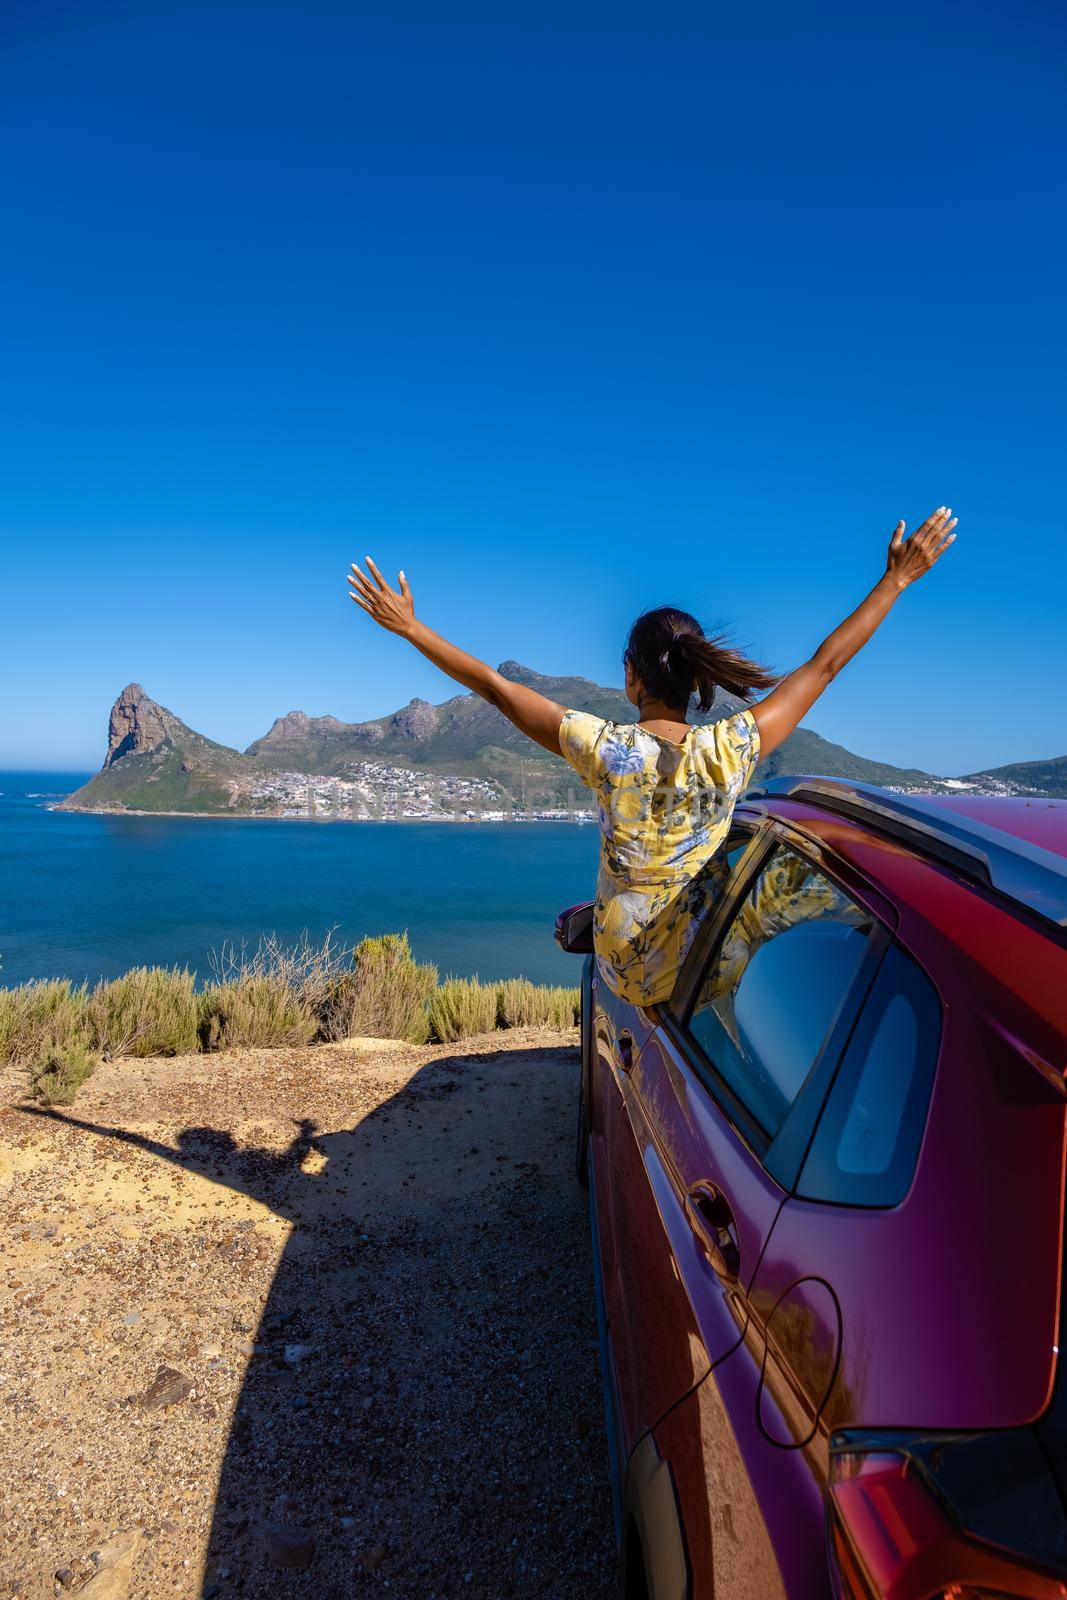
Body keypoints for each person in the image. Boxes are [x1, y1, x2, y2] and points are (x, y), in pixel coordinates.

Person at [348, 506, 957, 1005]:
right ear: (698, 684)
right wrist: (896, 581)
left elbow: (496, 689)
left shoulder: (608, 750)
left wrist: (410, 628)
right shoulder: (734, 745)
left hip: (632, 979)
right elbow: (823, 667)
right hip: (709, 972)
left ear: (630, 677)